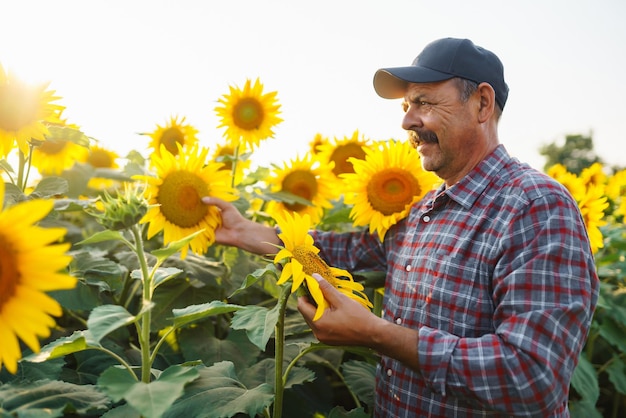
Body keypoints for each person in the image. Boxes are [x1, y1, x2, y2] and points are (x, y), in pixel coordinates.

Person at [203, 37, 599, 417]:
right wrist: (246, 232)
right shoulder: (427, 207)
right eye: (407, 105)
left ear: (482, 103)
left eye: (424, 102)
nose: (408, 121)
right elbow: (346, 252)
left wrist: (377, 334)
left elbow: (533, 377)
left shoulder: (536, 207)